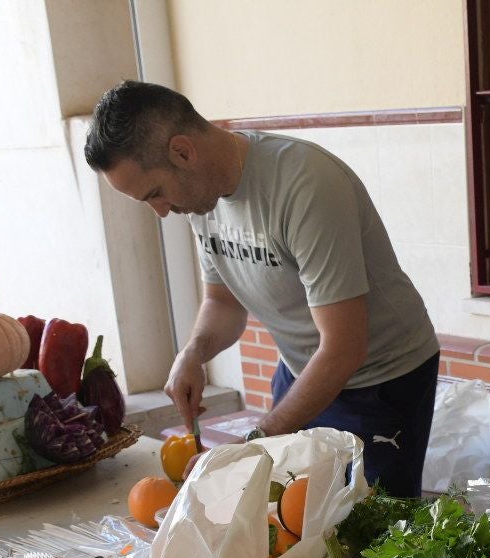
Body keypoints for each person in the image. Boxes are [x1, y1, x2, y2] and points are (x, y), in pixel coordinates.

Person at [84, 80, 441, 497]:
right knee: (293, 520)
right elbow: (223, 302)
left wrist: (256, 439)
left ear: (183, 151)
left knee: (372, 534)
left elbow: (344, 347)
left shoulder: (305, 185)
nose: (161, 212)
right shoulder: (201, 198)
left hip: (381, 380)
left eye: (156, 194)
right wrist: (193, 353)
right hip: (300, 370)